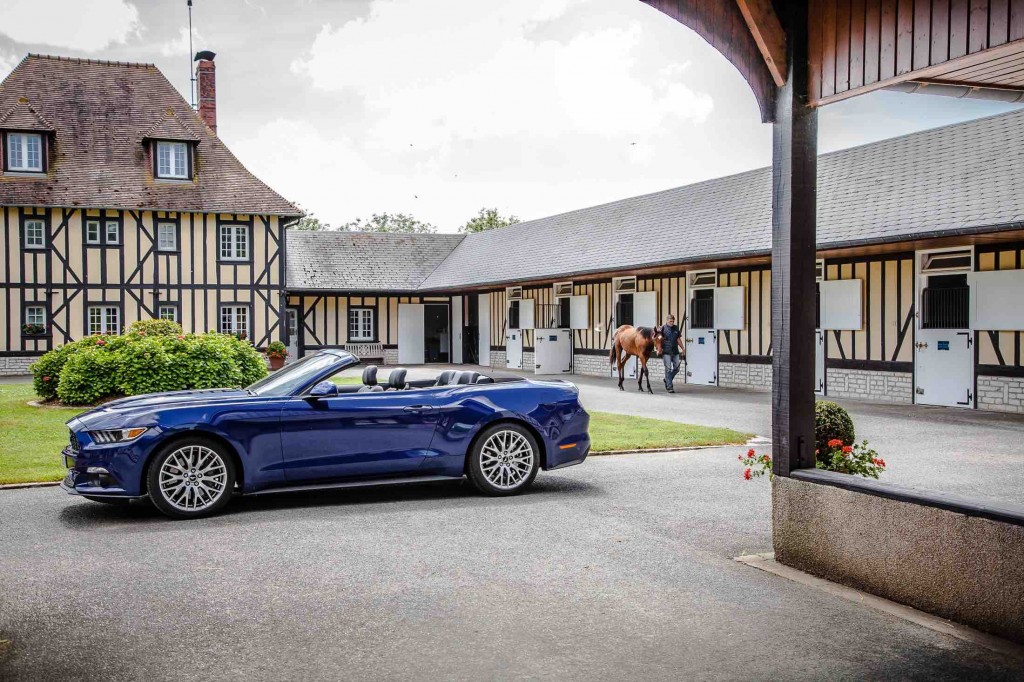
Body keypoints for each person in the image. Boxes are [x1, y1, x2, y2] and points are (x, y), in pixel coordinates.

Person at [660, 314, 684, 392]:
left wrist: (683, 348)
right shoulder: (662, 328)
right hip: (666, 352)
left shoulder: (676, 328)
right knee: (668, 369)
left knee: (677, 368)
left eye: (673, 321)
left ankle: (667, 379)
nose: (672, 323)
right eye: (670, 321)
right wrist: (659, 349)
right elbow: (658, 340)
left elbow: (678, 339)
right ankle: (670, 387)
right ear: (667, 321)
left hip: (675, 351)